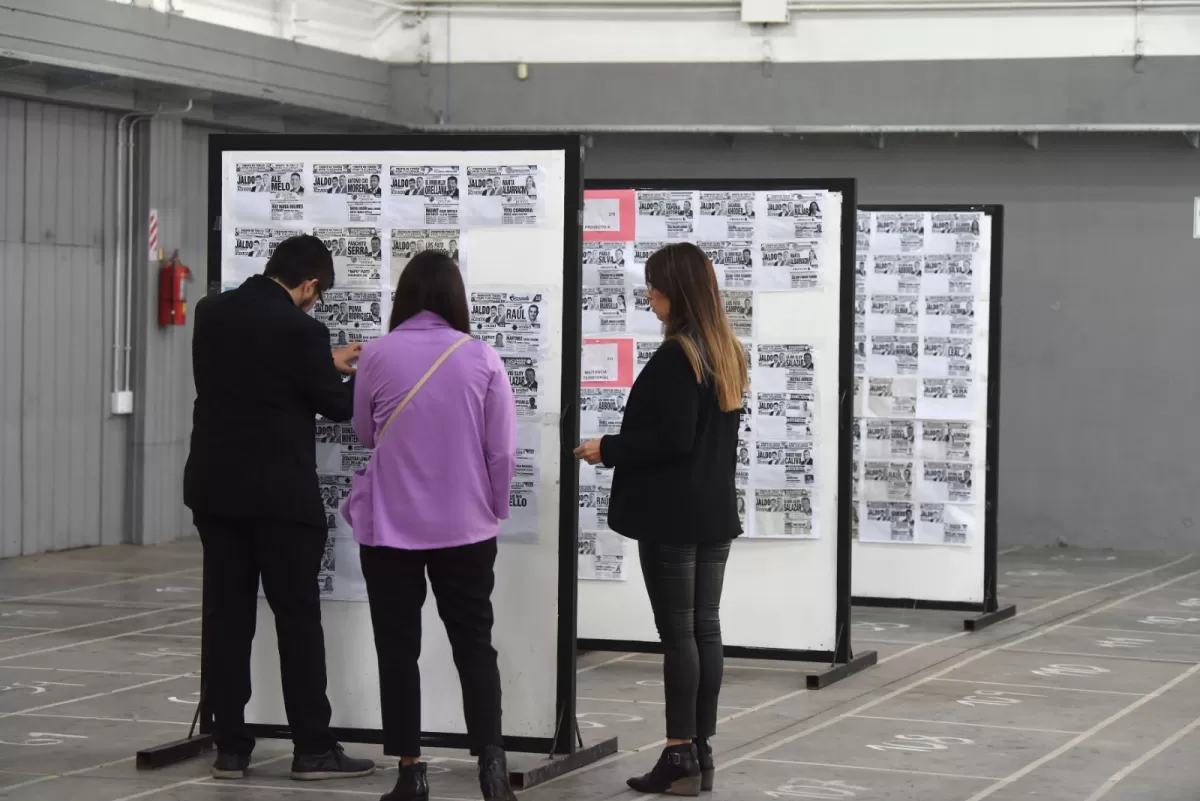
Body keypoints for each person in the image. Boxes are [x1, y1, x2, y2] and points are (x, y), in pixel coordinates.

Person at [183, 235, 376, 782]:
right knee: (296, 619)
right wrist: (353, 372)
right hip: (279, 497)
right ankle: (312, 748)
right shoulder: (302, 330)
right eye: (317, 294)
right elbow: (334, 405)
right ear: (310, 284)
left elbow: (256, 376)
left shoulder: (211, 311)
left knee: (227, 617)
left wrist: (322, 361)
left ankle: (230, 747)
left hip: (215, 489)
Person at [342, 250, 519, 801]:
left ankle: (410, 770)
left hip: (390, 527)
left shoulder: (376, 355)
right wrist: (493, 507)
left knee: (398, 648)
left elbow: (366, 434)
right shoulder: (482, 357)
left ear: (404, 298)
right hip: (466, 527)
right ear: (454, 299)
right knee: (474, 644)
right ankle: (491, 762)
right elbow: (502, 451)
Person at [574, 241, 746, 796]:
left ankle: (677, 754)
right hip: (713, 511)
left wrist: (609, 448)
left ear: (675, 292)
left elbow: (671, 440)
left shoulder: (679, 355)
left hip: (674, 514)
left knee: (679, 635)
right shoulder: (724, 351)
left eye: (654, 287)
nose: (649, 296)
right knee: (705, 628)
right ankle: (699, 748)